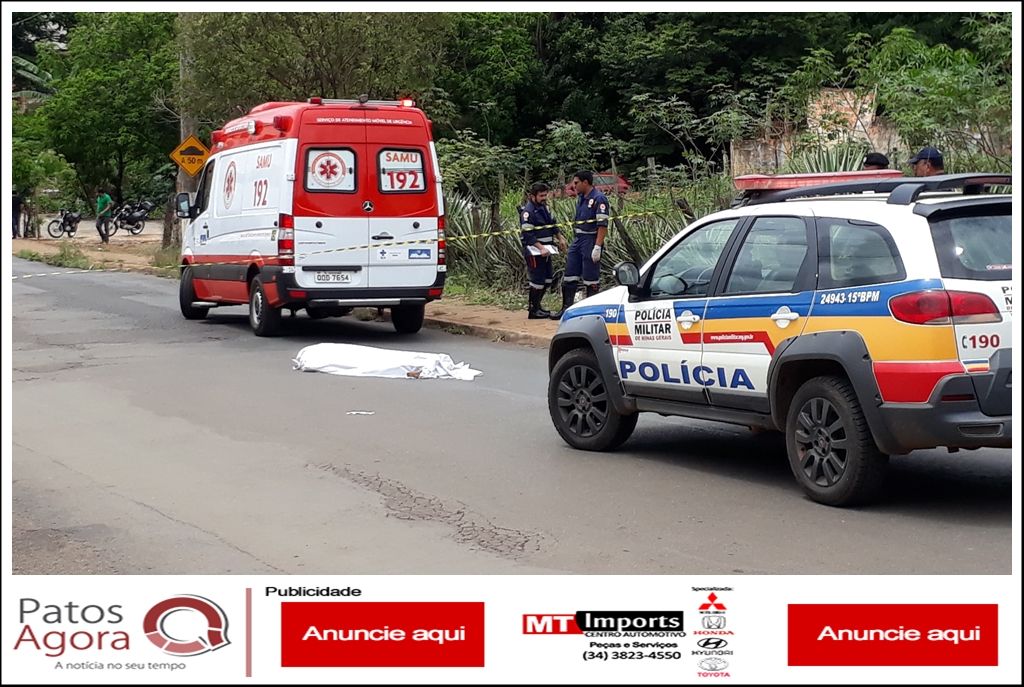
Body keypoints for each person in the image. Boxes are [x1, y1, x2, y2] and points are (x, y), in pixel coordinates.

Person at [553, 170, 609, 318]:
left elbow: (602, 225)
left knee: (591, 278)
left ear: (585, 182)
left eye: (576, 183)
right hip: (578, 239)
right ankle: (566, 309)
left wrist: (597, 246)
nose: (574, 186)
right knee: (570, 274)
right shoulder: (581, 197)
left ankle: (590, 312)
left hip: (591, 239)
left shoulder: (599, 198)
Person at [519, 182, 566, 319]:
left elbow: (553, 224)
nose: (544, 198)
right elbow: (528, 235)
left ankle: (538, 306)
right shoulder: (527, 212)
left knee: (547, 279)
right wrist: (540, 247)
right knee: (537, 280)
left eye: (546, 195)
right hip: (534, 250)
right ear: (532, 196)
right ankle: (533, 310)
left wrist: (560, 237)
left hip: (547, 249)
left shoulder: (545, 208)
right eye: (541, 195)